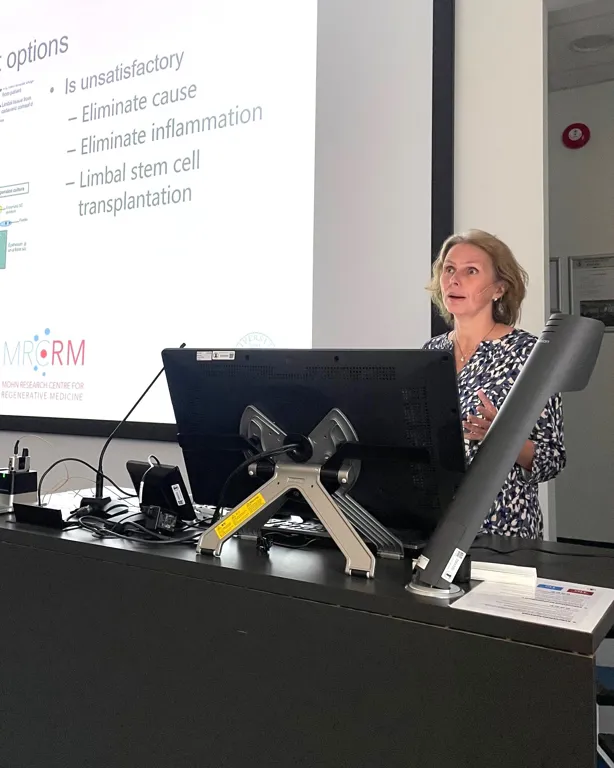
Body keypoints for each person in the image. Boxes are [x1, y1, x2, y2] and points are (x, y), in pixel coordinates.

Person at [424, 229, 565, 538]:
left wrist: (504, 438)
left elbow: (552, 459)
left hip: (502, 528)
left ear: (499, 288)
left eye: (471, 271)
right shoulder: (431, 351)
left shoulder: (530, 354)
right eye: (449, 269)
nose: (454, 280)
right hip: (435, 526)